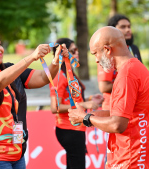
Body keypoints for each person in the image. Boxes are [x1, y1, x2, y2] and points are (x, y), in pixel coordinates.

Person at [0, 26, 69, 169]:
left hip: (15, 153)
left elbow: (43, 77)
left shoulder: (9, 70)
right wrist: (31, 57)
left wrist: (57, 61)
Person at [68, 26, 149, 168]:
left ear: (108, 50)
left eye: (96, 53)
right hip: (137, 157)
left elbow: (117, 124)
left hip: (129, 159)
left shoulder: (126, 75)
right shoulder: (136, 67)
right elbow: (124, 114)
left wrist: (85, 118)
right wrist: (89, 115)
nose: (96, 60)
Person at [50, 38, 103, 169]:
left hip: (75, 127)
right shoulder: (59, 75)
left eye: (77, 50)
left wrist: (90, 99)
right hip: (69, 130)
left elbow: (73, 98)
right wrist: (84, 105)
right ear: (62, 53)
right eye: (73, 51)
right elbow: (55, 107)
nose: (77, 54)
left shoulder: (69, 73)